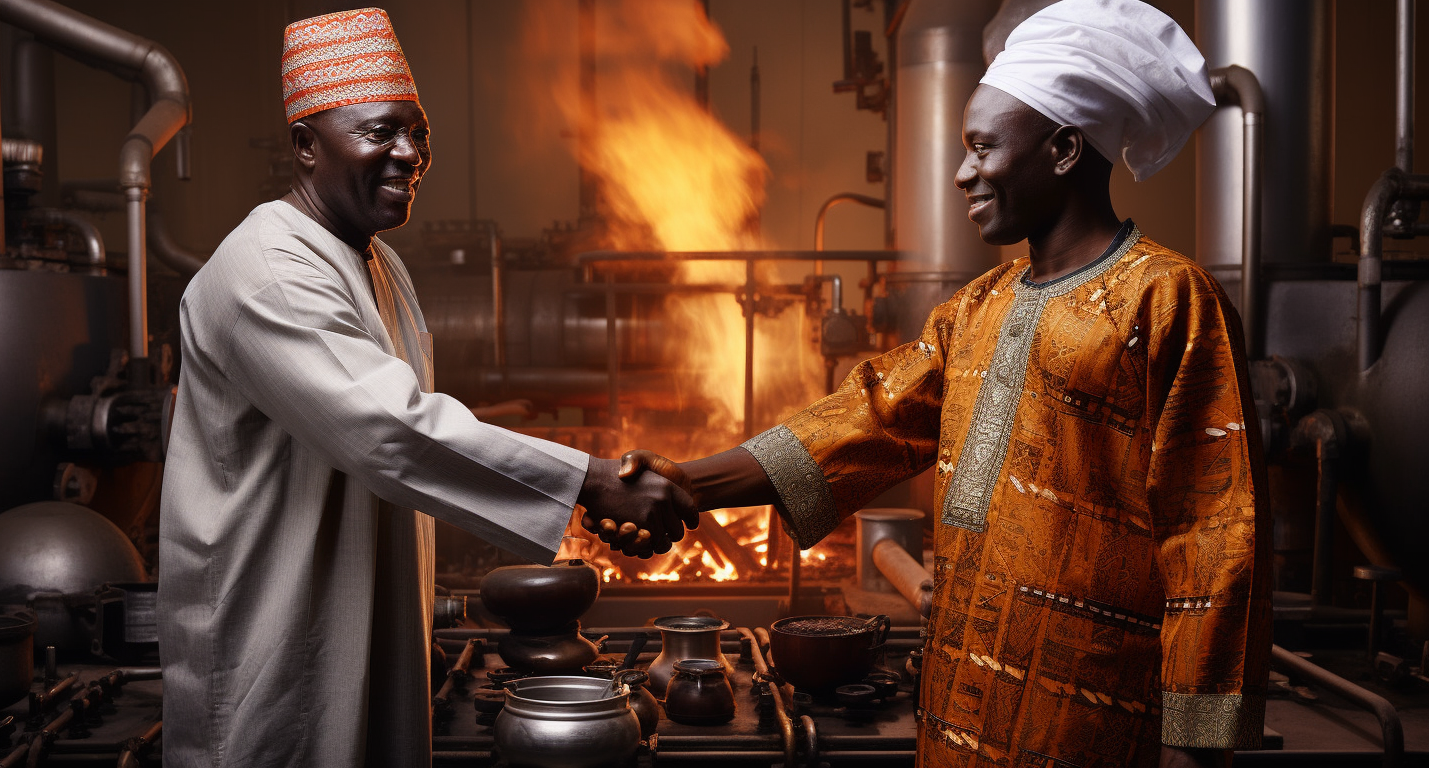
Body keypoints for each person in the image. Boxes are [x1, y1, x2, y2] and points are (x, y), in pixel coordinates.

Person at [619, 1, 1270, 766]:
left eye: (983, 146)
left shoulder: (1168, 300)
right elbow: (867, 419)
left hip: (1090, 722)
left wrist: (1195, 748)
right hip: (958, 714)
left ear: (1064, 148)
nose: (962, 171)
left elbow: (1217, 539)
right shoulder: (974, 309)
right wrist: (685, 481)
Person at [157, 9, 693, 767]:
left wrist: (582, 485)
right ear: (306, 146)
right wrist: (594, 483)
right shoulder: (266, 269)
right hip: (274, 638)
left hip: (368, 620)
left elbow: (409, 439)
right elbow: (390, 431)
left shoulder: (380, 266)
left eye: (419, 134)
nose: (409, 154)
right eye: (380, 132)